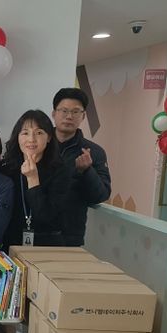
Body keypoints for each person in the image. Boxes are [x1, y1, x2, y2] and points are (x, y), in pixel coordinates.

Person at [1, 110, 70, 249]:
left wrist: (33, 179)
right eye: (25, 133)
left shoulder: (61, 170)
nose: (31, 139)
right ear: (17, 137)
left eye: (39, 133)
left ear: (49, 137)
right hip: (11, 243)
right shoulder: (6, 169)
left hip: (47, 246)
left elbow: (47, 216)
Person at [52, 88, 111, 246]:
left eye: (75, 111)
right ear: (54, 113)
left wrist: (87, 171)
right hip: (33, 231)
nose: (69, 116)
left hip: (69, 236)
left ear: (83, 116)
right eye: (64, 110)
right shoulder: (39, 145)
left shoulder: (94, 152)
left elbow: (101, 195)